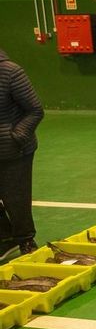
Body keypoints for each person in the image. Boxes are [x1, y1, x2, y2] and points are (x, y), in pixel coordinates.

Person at [0, 48, 43, 262]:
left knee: (16, 198)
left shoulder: (11, 72)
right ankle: (5, 238)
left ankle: (26, 240)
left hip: (15, 151)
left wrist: (17, 135)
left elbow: (35, 109)